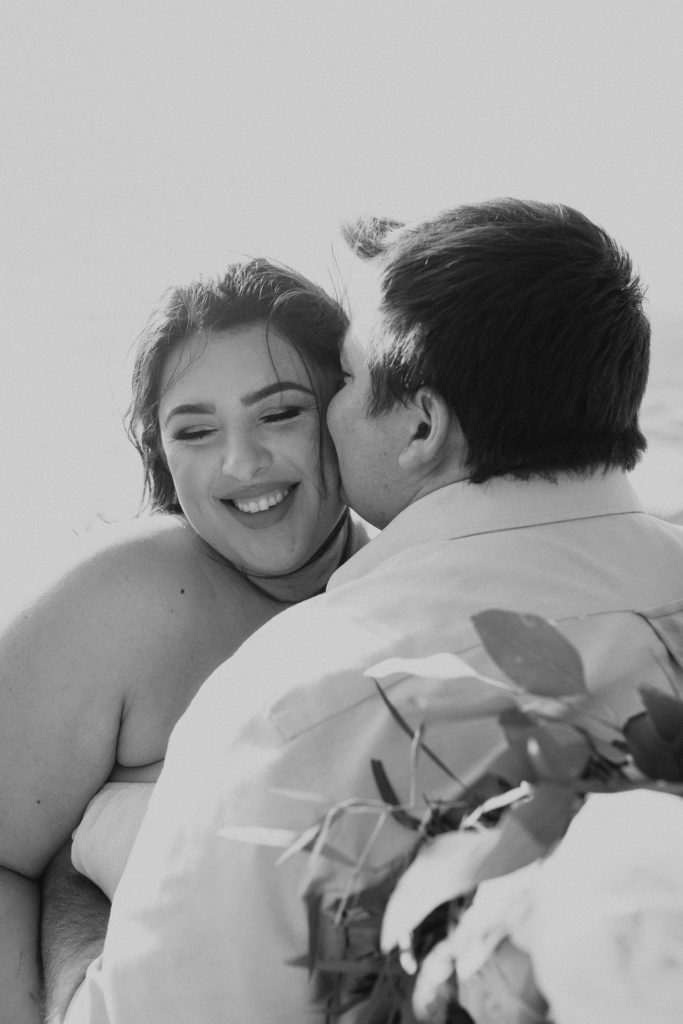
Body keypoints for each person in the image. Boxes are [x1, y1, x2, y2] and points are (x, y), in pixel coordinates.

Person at [62, 199, 683, 1023]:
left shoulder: (301, 704)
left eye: (345, 379)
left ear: (421, 425)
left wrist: (82, 906)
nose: (329, 409)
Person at [0, 258, 369, 1024]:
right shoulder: (128, 596)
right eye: (195, 431)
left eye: (279, 414)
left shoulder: (410, 580)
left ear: (345, 411)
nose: (241, 463)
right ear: (160, 453)